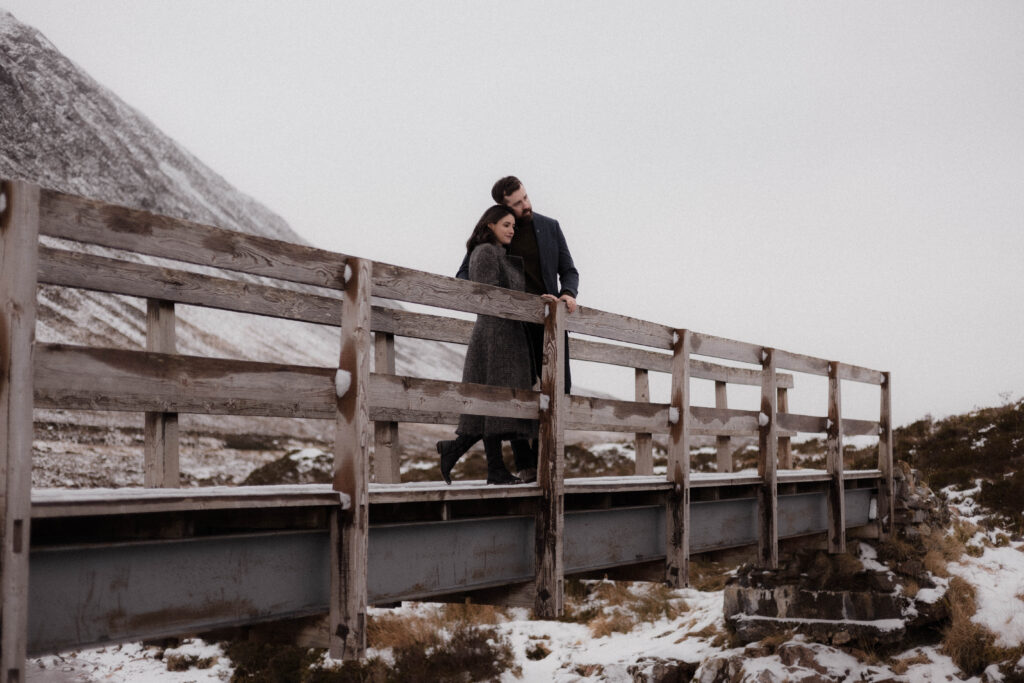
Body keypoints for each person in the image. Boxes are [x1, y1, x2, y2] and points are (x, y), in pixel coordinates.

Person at [452, 176, 580, 481]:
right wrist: (502, 300)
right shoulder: (499, 232)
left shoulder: (550, 226)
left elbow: (569, 270)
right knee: (518, 393)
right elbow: (464, 274)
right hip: (513, 329)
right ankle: (526, 466)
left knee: (560, 388)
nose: (526, 205)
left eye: (525, 198)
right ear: (502, 208)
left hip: (550, 324)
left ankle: (545, 461)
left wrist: (568, 294)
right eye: (517, 203)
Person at [437, 204, 539, 485]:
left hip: (508, 337)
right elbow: (488, 297)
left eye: (513, 226)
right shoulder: (484, 252)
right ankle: (494, 469)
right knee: (493, 404)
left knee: (496, 406)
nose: (511, 230)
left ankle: (459, 452)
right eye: (506, 224)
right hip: (495, 337)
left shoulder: (500, 254)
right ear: (490, 224)